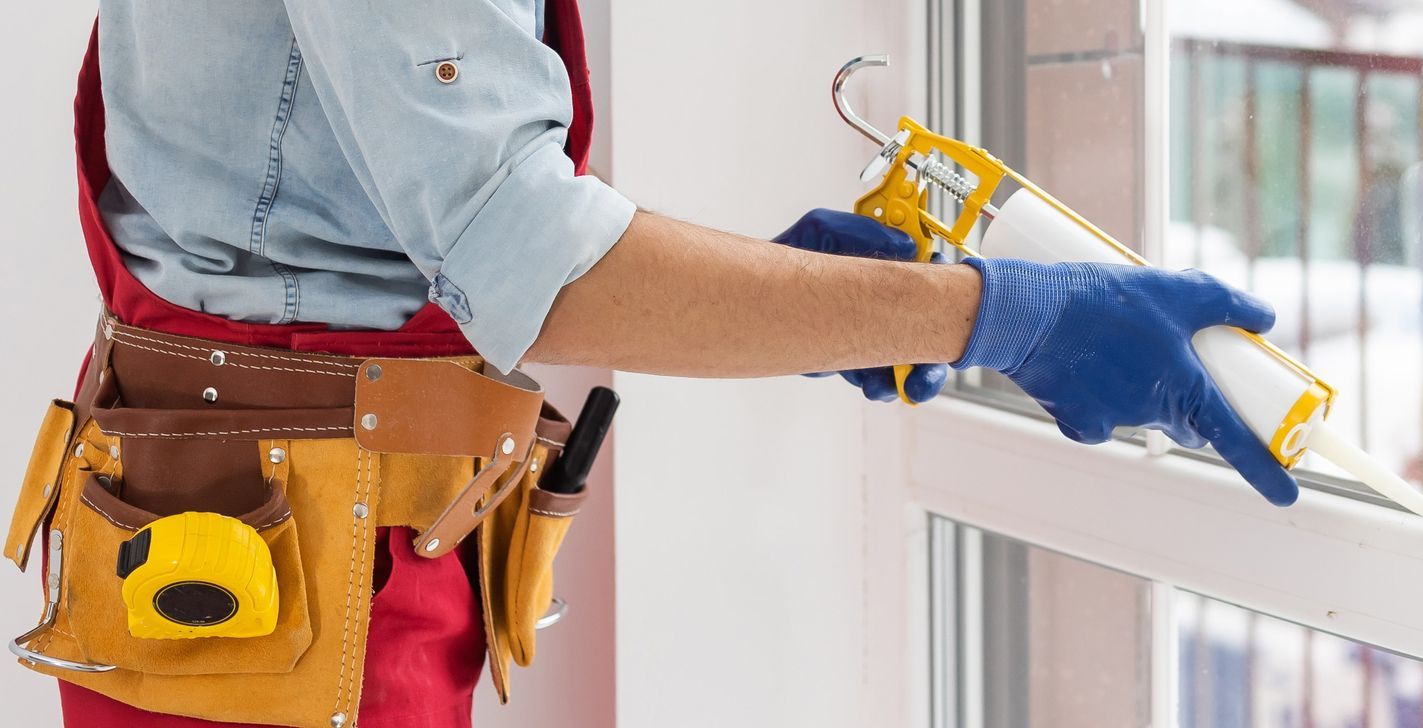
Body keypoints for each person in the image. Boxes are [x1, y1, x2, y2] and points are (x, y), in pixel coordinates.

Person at [15, 1, 1296, 726]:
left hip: (296, 573)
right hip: (276, 602)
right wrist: (996, 315)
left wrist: (843, 301)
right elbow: (538, 263)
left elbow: (414, 209)